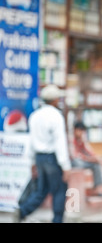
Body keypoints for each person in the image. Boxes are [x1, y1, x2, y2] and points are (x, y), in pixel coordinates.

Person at [14, 84, 72, 223]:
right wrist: (65, 166)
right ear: (55, 99)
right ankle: (57, 220)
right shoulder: (56, 116)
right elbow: (60, 142)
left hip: (39, 158)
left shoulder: (35, 116)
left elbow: (32, 141)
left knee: (41, 190)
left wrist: (32, 162)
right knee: (58, 190)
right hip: (52, 158)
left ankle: (23, 211)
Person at [70, 121, 102, 196]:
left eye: (82, 131)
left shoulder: (82, 139)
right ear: (75, 130)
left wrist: (95, 157)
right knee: (77, 162)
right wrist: (89, 159)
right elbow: (75, 156)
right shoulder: (70, 139)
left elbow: (88, 150)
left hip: (82, 160)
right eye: (79, 130)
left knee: (97, 165)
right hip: (73, 162)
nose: (80, 133)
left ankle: (98, 189)